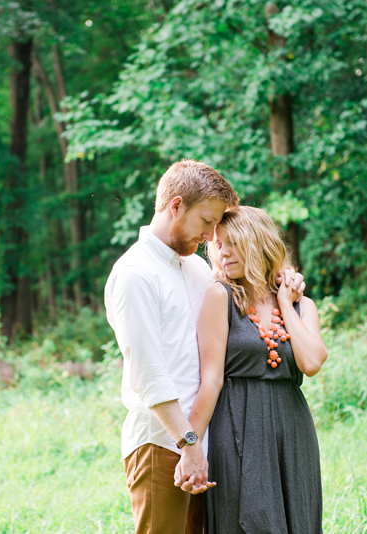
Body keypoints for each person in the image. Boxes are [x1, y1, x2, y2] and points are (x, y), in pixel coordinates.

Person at [105, 160, 304, 534]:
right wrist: (189, 444)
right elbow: (149, 377)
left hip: (205, 445)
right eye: (207, 222)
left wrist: (282, 277)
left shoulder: (195, 268)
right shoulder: (135, 275)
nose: (212, 235)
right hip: (162, 443)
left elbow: (247, 298)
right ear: (176, 206)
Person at [186, 206, 328, 534]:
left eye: (232, 243)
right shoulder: (219, 296)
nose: (222, 252)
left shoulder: (301, 305)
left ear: (258, 242)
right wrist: (190, 445)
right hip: (236, 426)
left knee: (299, 521)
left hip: (291, 429)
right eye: (218, 245)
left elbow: (311, 362)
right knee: (247, 520)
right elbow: (211, 379)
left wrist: (285, 302)